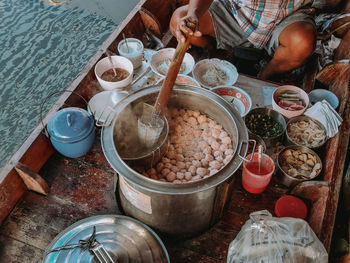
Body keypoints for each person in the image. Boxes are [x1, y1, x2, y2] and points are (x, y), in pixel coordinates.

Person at [170, 0, 318, 80]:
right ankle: (214, 48)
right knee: (179, 21)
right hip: (237, 12)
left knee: (302, 42)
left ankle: (265, 75)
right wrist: (193, 14)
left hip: (287, 18)